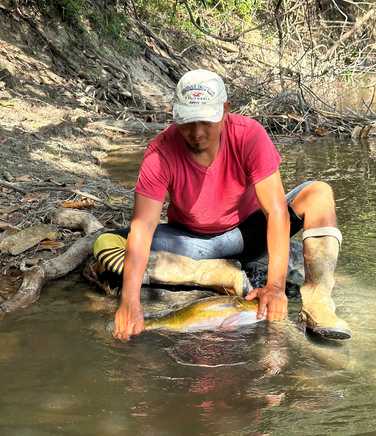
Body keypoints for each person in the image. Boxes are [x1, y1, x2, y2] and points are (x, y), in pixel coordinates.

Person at [94, 69, 351, 341]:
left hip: (250, 234)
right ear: (175, 115)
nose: (197, 133)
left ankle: (318, 302)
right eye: (188, 122)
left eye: (206, 121)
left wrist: (275, 287)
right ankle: (213, 275)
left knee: (319, 193)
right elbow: (143, 227)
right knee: (105, 242)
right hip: (194, 245)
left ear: (225, 110)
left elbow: (276, 211)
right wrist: (130, 302)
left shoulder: (249, 135)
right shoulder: (160, 153)